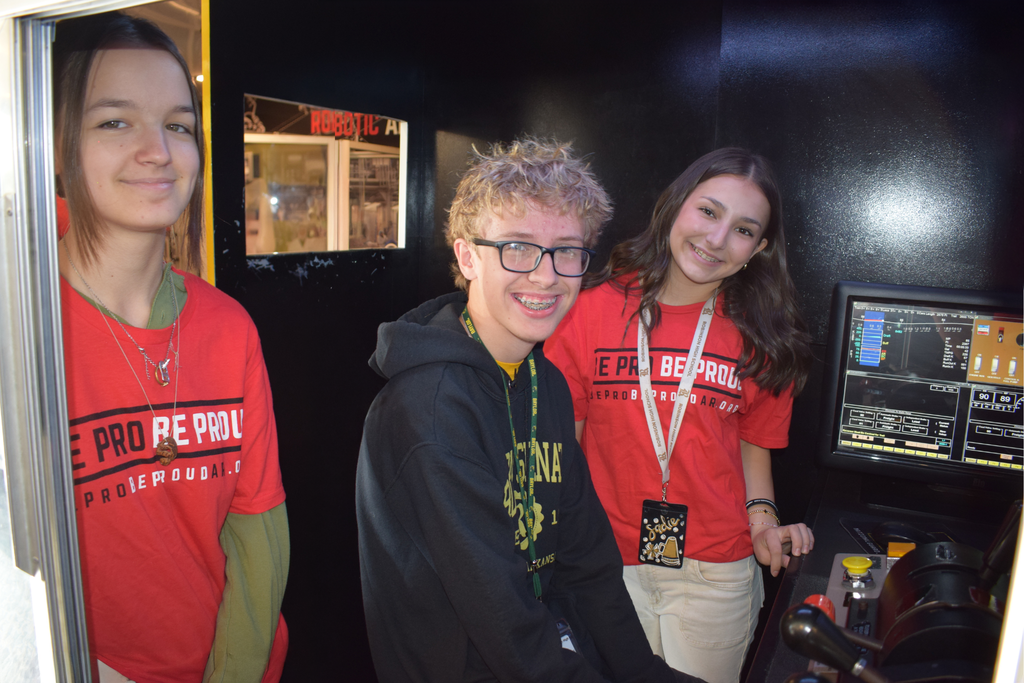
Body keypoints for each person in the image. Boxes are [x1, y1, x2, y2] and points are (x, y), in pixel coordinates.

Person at [356, 138, 704, 683]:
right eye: (517, 247)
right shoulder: (429, 409)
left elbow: (588, 566)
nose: (546, 276)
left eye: (567, 250)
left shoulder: (546, 384)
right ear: (467, 256)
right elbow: (502, 620)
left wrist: (644, 673)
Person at [54, 12, 288, 682]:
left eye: (179, 125)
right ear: (61, 141)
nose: (157, 150)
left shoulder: (228, 326)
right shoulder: (27, 328)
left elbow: (258, 538)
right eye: (115, 121)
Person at [545, 148, 815, 683]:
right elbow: (562, 453)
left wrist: (762, 519)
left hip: (715, 572)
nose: (716, 239)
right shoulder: (588, 308)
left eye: (743, 229)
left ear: (758, 249)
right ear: (675, 207)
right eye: (708, 212)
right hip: (605, 565)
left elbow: (750, 441)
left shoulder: (763, 331)